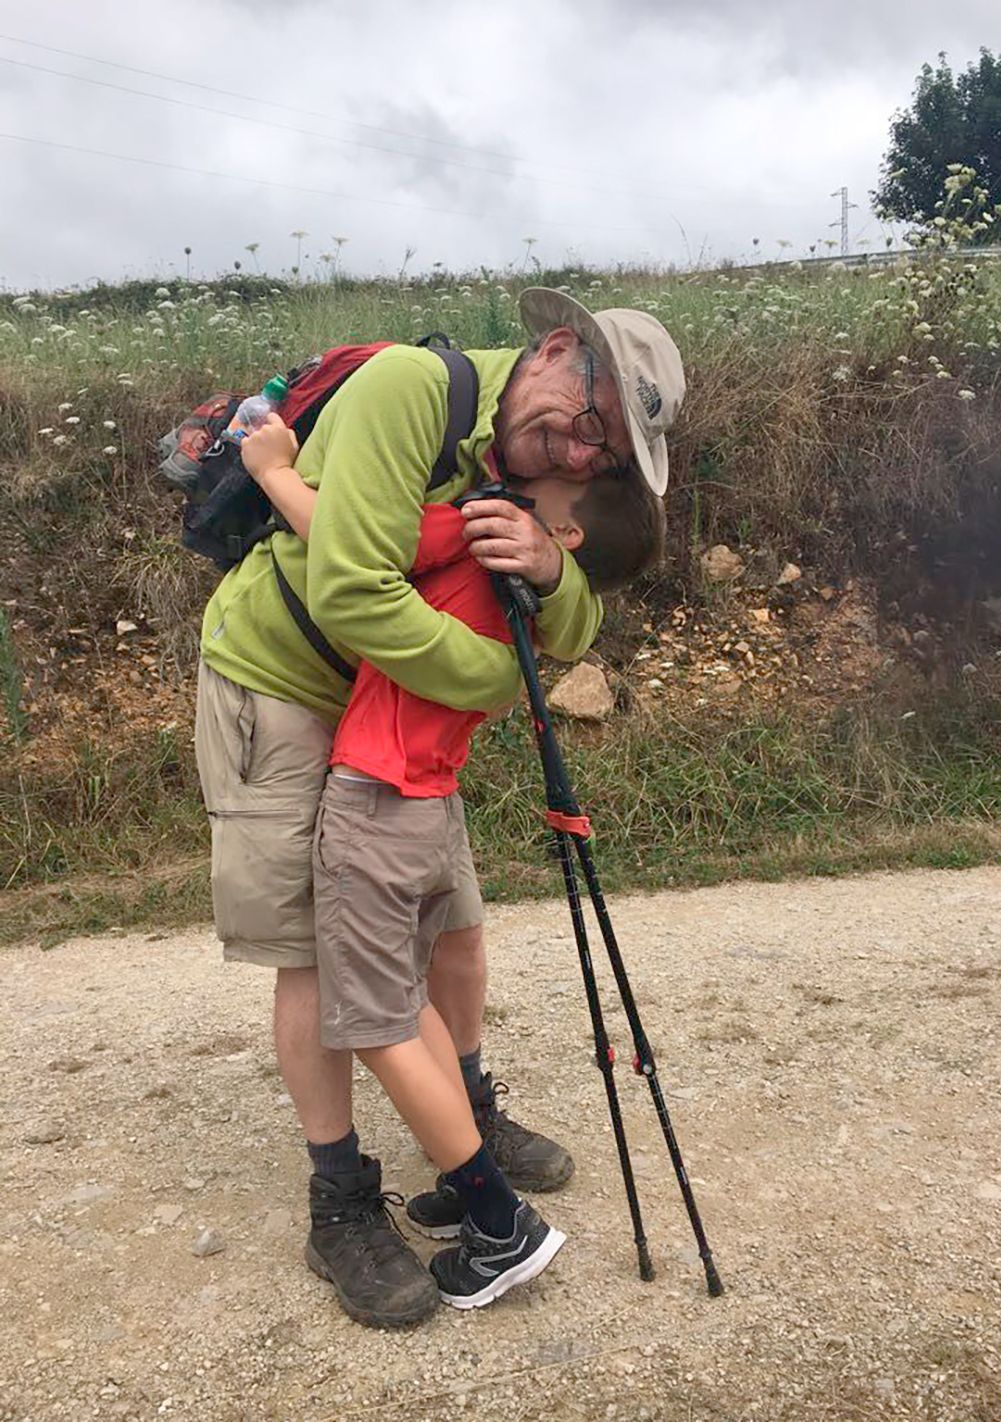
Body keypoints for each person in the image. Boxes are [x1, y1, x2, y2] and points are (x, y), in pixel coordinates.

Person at [193, 287, 685, 1327]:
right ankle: (340, 1199)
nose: (577, 457)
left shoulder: (534, 473)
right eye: (587, 426)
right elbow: (352, 590)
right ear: (557, 349)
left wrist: (553, 571)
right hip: (285, 688)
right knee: (314, 951)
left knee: (451, 930)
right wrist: (500, 681)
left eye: (601, 459)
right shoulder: (412, 390)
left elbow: (573, 621)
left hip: (395, 724)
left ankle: (464, 1115)